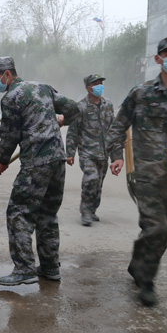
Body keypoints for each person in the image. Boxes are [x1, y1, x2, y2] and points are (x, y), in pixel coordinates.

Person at [0, 56, 80, 286]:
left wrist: (3, 160)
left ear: (7, 74)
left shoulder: (10, 98)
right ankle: (49, 267)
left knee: (19, 213)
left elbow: (9, 135)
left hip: (36, 163)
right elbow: (74, 110)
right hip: (58, 160)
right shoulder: (42, 88)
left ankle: (24, 269)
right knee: (47, 214)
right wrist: (61, 120)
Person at [107, 34, 167, 307]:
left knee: (164, 232)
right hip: (147, 175)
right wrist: (116, 156)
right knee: (156, 226)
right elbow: (118, 127)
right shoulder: (141, 93)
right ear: (158, 59)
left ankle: (139, 265)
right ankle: (148, 281)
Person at [66, 74, 115, 226]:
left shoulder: (108, 105)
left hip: (104, 152)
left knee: (98, 183)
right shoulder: (80, 107)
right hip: (87, 152)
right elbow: (73, 131)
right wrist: (70, 153)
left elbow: (113, 129)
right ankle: (85, 211)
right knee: (91, 179)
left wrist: (116, 153)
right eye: (95, 84)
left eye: (101, 83)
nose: (99, 86)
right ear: (88, 88)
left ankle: (93, 209)